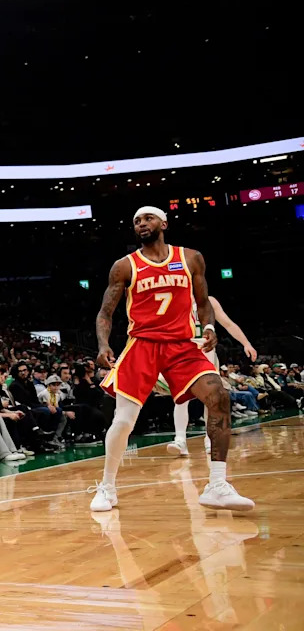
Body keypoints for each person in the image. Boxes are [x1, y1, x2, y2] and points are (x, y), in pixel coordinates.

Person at [92, 206, 253, 512]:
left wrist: (207, 326)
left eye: (148, 218)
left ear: (163, 223)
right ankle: (107, 487)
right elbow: (105, 312)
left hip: (182, 345)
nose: (142, 224)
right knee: (124, 421)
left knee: (219, 396)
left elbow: (204, 303)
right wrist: (102, 344)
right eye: (136, 220)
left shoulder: (191, 257)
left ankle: (217, 485)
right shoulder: (124, 266)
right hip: (142, 345)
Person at [167, 295, 258, 457]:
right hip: (183, 353)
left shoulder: (209, 301)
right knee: (181, 398)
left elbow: (228, 324)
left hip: (206, 354)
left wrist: (246, 343)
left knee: (211, 399)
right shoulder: (175, 297)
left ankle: (211, 438)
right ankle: (180, 440)